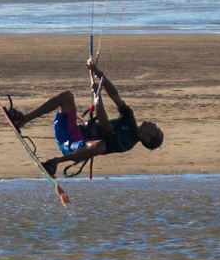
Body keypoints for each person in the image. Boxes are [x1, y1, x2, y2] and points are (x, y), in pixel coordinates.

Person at [9, 59, 163, 177]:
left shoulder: (127, 143)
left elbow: (105, 126)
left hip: (74, 147)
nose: (154, 124)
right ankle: (23, 120)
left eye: (156, 129)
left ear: (147, 139)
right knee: (67, 96)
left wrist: (98, 99)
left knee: (101, 145)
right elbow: (115, 95)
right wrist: (99, 74)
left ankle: (54, 162)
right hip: (71, 129)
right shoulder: (129, 118)